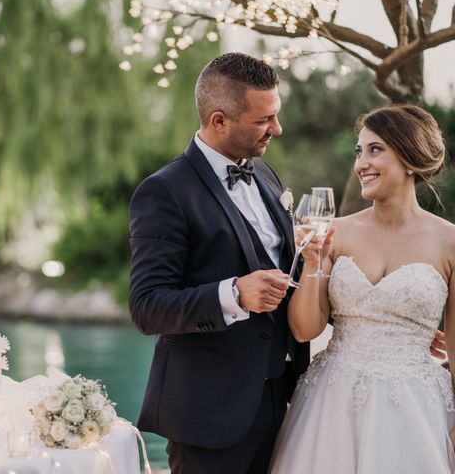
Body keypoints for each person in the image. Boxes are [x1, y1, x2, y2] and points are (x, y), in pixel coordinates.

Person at [128, 52, 310, 473]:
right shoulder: (164, 192)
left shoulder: (265, 173)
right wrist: (234, 294)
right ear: (219, 120)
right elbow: (147, 307)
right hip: (208, 413)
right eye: (263, 120)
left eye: (276, 115)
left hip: (281, 399)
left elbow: (290, 273)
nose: (277, 129)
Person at [270, 104, 455, 473]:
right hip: (330, 404)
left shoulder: (449, 242)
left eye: (375, 150)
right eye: (359, 151)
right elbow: (305, 329)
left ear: (410, 157)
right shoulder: (333, 231)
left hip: (417, 409)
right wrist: (311, 263)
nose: (361, 164)